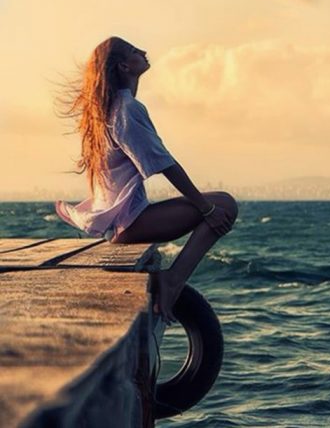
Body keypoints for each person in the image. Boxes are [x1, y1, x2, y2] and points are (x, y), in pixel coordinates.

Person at [54, 36, 238, 324]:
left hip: (120, 224)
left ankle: (172, 280)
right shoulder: (126, 110)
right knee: (225, 205)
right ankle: (173, 280)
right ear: (124, 66)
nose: (143, 51)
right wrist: (207, 209)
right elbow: (164, 164)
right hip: (130, 223)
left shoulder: (106, 112)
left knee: (218, 205)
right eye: (133, 50)